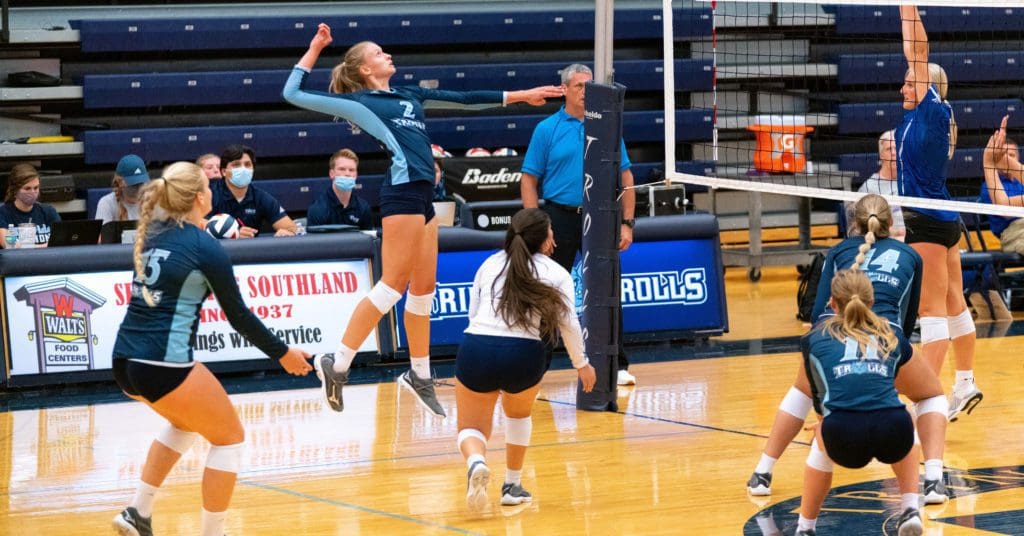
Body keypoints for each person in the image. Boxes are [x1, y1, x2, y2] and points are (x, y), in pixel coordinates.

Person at [282, 23, 562, 416]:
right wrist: (314, 48)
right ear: (364, 69)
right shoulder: (361, 102)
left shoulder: (409, 94)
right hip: (399, 192)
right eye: (379, 53)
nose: (388, 56)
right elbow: (291, 93)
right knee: (391, 285)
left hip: (424, 196)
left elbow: (464, 99)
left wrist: (522, 96)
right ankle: (338, 363)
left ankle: (419, 374)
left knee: (424, 288)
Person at [110, 161, 311, 536]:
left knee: (185, 424)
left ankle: (138, 512)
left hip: (124, 362)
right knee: (229, 438)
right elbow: (238, 317)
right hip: (160, 363)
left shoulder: (154, 232)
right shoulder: (205, 246)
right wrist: (283, 354)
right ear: (202, 198)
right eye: (209, 186)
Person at [748, 194, 949, 505]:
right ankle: (934, 479)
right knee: (931, 394)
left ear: (853, 223)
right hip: (887, 339)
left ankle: (763, 472)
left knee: (802, 391)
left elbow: (817, 313)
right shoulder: (910, 256)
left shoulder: (839, 251)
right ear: (891, 223)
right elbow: (907, 321)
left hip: (831, 337)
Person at [456, 208, 596, 512]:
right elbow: (569, 323)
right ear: (545, 240)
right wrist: (581, 363)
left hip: (477, 345)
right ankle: (512, 485)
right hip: (524, 354)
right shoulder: (556, 273)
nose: (555, 240)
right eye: (552, 234)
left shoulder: (490, 264)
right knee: (518, 416)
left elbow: (473, 313)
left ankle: (477, 461)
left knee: (470, 427)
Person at [793, 268, 944, 536]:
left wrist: (822, 428)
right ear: (872, 302)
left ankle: (805, 527)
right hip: (891, 432)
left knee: (820, 438)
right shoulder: (892, 335)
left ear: (832, 303)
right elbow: (890, 386)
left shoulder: (813, 340)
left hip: (844, 437)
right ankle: (910, 508)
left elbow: (820, 399)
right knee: (906, 411)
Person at [519, 63, 637, 386]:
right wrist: (537, 226)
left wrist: (627, 223)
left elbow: (626, 178)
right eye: (579, 87)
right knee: (546, 292)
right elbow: (528, 180)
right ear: (565, 90)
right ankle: (535, 368)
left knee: (609, 290)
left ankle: (617, 365)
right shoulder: (547, 129)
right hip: (558, 217)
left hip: (599, 217)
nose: (585, 93)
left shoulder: (607, 126)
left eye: (589, 87)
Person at [896, 5, 979, 421]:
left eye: (910, 82)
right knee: (954, 306)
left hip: (928, 221)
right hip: (942, 217)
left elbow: (918, 46)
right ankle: (964, 382)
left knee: (932, 315)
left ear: (927, 84)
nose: (902, 88)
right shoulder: (916, 119)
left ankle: (924, 403)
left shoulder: (931, 110)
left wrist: (905, 5)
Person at [210, 144, 298, 238]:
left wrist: (287, 232)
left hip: (251, 251)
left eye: (247, 165)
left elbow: (292, 228)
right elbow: (198, 224)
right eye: (236, 165)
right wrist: (232, 232)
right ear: (224, 172)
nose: (243, 169)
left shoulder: (261, 197)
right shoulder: (211, 194)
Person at [847, 131, 905, 240]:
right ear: (881, 154)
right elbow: (857, 230)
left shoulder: (912, 182)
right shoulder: (869, 188)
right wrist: (892, 232)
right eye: (889, 149)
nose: (893, 153)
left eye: (896, 148)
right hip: (884, 243)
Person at [981, 115, 1024, 253]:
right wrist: (995, 161)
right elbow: (1005, 210)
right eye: (1006, 154)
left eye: (1012, 155)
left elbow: (1004, 205)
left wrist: (991, 161)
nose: (1009, 157)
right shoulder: (990, 185)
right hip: (1012, 231)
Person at [306, 148, 373, 229]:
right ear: (331, 174)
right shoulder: (317, 209)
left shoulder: (363, 207)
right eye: (342, 169)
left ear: (356, 175)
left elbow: (367, 240)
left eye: (351, 170)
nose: (347, 173)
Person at [0, 163, 61, 247]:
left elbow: (60, 242)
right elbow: (8, 244)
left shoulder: (49, 212)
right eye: (27, 188)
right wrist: (42, 247)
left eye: (36, 188)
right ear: (15, 190)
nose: (33, 192)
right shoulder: (3, 213)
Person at [96, 154, 151, 224]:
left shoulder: (154, 202)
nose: (138, 187)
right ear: (119, 182)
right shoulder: (107, 203)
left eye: (141, 182)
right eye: (133, 183)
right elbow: (102, 234)